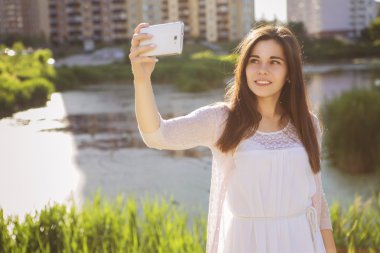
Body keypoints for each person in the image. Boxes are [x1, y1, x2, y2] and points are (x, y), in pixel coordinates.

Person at [129, 22, 337, 253]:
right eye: (254, 60)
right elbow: (156, 135)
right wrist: (141, 79)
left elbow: (319, 202)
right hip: (246, 243)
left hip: (302, 242)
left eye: (274, 62)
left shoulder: (308, 124)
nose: (262, 70)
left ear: (290, 73)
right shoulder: (221, 120)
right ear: (243, 68)